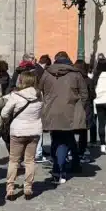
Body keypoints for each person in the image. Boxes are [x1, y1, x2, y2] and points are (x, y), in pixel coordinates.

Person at [38, 52, 88, 182]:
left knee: (57, 139)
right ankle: (59, 171)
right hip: (69, 112)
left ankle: (61, 168)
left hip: (51, 111)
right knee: (64, 141)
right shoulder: (76, 74)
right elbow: (84, 95)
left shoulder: (46, 73)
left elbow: (40, 90)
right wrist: (78, 108)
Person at [1, 69, 43, 200]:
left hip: (18, 131)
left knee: (14, 160)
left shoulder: (16, 96)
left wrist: (8, 119)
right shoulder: (39, 95)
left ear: (22, 81)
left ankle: (10, 188)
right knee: (30, 160)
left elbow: (4, 113)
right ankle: (28, 187)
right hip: (34, 130)